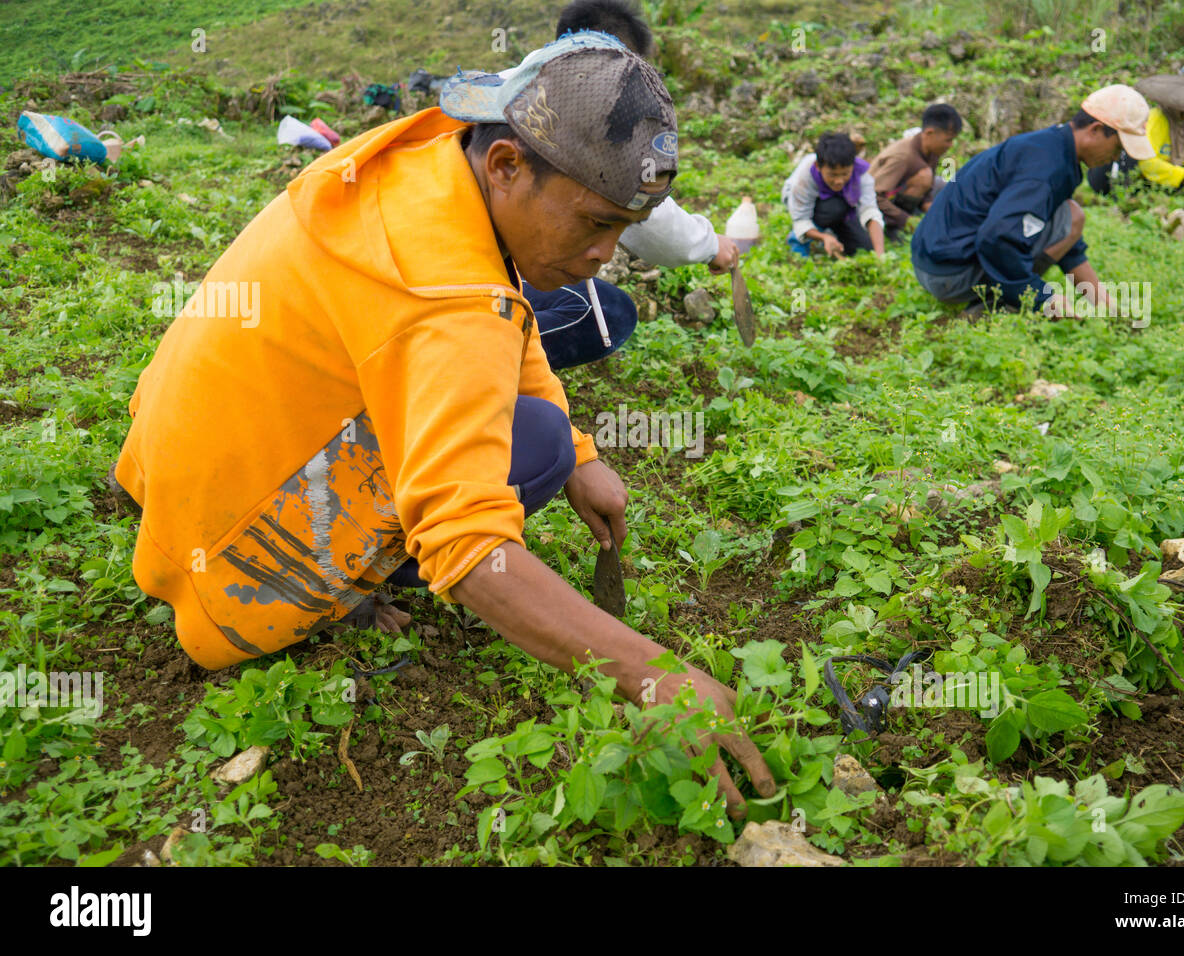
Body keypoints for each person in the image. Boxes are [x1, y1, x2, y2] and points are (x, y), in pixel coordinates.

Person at [111, 34, 774, 816]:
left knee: (551, 441)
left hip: (163, 468)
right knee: (530, 447)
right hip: (229, 575)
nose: (605, 255)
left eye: (623, 230)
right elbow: (465, 542)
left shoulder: (427, 156)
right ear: (506, 167)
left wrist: (585, 454)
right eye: (594, 223)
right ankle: (324, 597)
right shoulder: (451, 301)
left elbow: (506, 303)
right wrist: (649, 672)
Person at [497, 0, 740, 370]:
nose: (606, 254)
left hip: (470, 268)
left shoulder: (513, 81)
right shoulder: (595, 111)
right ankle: (474, 356)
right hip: (453, 284)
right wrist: (709, 245)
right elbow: (641, 213)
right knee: (605, 316)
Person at [911, 85, 1152, 317]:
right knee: (1072, 216)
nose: (1116, 158)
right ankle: (996, 305)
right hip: (948, 274)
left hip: (933, 262)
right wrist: (1042, 297)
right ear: (1095, 130)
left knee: (1070, 215)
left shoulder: (1052, 147)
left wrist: (1105, 304)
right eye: (1118, 147)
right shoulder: (1046, 170)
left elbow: (1069, 243)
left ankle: (1011, 293)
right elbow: (997, 239)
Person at [1088, 67, 1184, 193]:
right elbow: (1146, 162)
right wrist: (1183, 175)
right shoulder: (1156, 120)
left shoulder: (1182, 128)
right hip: (1111, 178)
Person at [782, 132, 885, 259]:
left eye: (845, 174)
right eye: (833, 175)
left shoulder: (861, 173)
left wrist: (880, 254)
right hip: (814, 207)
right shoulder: (804, 177)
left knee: (865, 246)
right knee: (834, 208)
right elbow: (801, 219)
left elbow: (869, 210)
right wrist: (824, 237)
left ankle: (833, 232)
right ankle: (802, 237)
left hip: (844, 207)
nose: (839, 181)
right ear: (818, 167)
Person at [870, 103, 962, 243]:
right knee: (924, 176)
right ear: (930, 133)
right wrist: (907, 220)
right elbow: (874, 197)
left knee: (948, 185)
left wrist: (932, 210)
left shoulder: (932, 151)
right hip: (875, 206)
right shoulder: (902, 157)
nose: (950, 145)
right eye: (948, 140)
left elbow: (928, 189)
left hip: (901, 195)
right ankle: (893, 228)